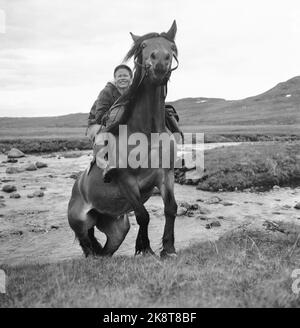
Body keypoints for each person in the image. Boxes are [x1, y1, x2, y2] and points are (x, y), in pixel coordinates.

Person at [86, 64, 133, 143]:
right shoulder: (106, 92)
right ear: (115, 79)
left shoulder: (133, 93)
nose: (122, 78)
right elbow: (99, 117)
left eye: (125, 76)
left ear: (131, 78)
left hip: (122, 125)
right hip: (98, 125)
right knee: (103, 138)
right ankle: (101, 155)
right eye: (119, 76)